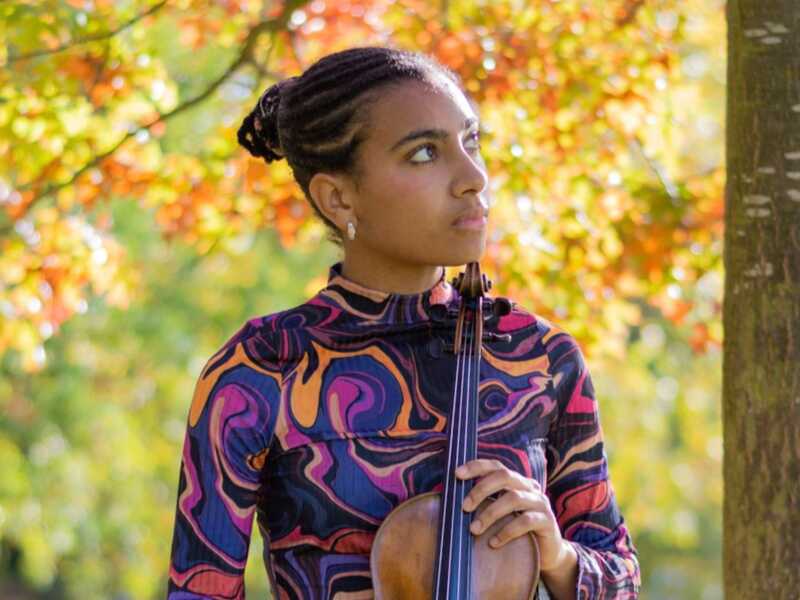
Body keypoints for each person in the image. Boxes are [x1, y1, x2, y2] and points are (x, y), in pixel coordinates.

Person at [166, 45, 640, 600]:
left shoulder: (540, 358)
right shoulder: (263, 367)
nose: (472, 178)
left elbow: (621, 578)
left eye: (472, 143)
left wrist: (557, 557)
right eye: (423, 155)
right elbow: (199, 592)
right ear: (339, 196)